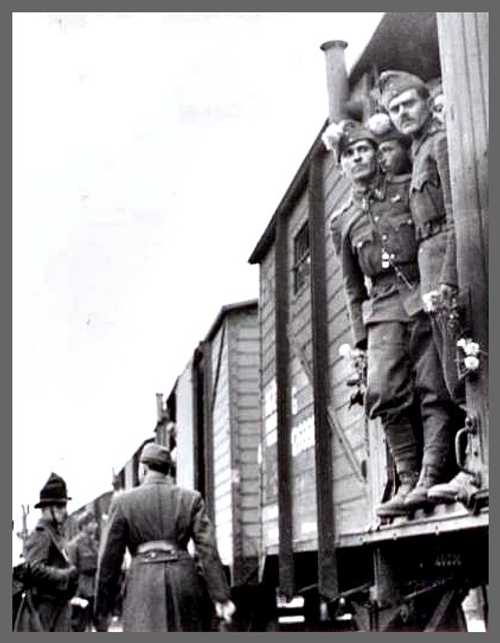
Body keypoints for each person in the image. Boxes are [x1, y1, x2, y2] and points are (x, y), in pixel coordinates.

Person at [323, 119, 455, 517]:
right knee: (383, 392)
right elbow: (351, 286)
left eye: (364, 149)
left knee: (434, 383)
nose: (358, 157)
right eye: (349, 154)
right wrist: (360, 341)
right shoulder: (342, 221)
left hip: (420, 291)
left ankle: (431, 474)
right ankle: (409, 475)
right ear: (342, 165)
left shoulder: (404, 188)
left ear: (377, 154)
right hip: (382, 310)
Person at [379, 70, 470, 505]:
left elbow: (457, 215)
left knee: (461, 370)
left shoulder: (440, 143)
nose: (403, 114)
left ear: (425, 100)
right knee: (445, 375)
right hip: (427, 273)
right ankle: (448, 467)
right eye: (395, 110)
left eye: (408, 104)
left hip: (445, 273)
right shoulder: (416, 152)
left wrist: (449, 278)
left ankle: (469, 464)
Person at [95, 442, 235, 631]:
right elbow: (207, 549)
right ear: (168, 471)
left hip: (142, 586)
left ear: (143, 469)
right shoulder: (190, 498)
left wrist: (102, 610)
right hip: (183, 581)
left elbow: (109, 561)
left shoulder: (123, 503)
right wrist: (221, 597)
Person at [13, 473, 78, 632]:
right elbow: (33, 568)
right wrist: (65, 575)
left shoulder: (55, 534)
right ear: (48, 508)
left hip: (58, 611)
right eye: (60, 506)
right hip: (45, 615)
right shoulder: (41, 534)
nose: (64, 511)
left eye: (64, 505)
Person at [67, 509, 99, 631]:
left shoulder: (95, 543)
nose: (95, 525)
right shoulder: (74, 545)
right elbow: (72, 569)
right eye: (92, 522)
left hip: (95, 588)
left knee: (98, 624)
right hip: (82, 589)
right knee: (79, 625)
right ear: (84, 525)